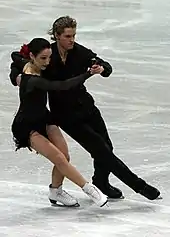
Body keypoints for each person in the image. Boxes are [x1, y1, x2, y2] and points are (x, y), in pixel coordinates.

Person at [9, 16, 161, 201]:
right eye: (67, 36)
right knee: (100, 150)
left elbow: (105, 66)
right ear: (57, 36)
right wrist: (17, 77)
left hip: (87, 107)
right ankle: (140, 187)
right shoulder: (47, 55)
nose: (72, 40)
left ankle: (101, 182)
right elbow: (18, 59)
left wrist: (102, 68)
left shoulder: (78, 52)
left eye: (73, 35)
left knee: (107, 147)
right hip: (65, 115)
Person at [10, 38, 108, 208]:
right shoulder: (31, 79)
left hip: (45, 118)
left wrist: (14, 72)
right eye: (43, 58)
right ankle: (90, 190)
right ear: (32, 56)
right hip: (27, 125)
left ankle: (56, 191)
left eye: (49, 57)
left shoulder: (33, 64)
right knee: (58, 158)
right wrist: (88, 74)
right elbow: (62, 86)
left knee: (65, 155)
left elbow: (15, 55)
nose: (47, 62)